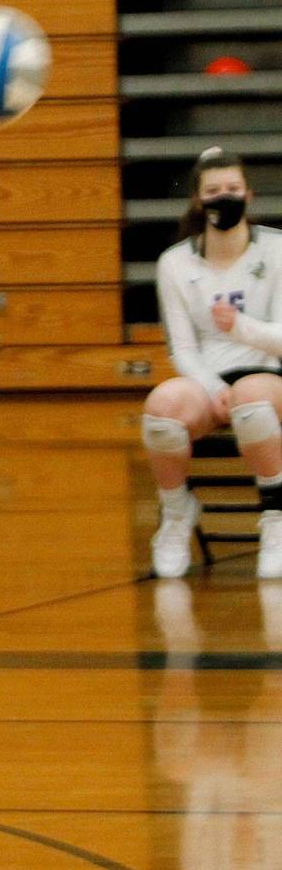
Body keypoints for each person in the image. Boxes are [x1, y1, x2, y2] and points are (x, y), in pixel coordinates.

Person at [143, 146, 282, 579]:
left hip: (269, 373)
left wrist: (241, 329)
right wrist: (211, 387)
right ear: (198, 200)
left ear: (249, 195)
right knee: (162, 409)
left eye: (233, 189)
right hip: (208, 380)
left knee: (251, 397)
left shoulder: (277, 250)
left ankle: (276, 518)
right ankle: (176, 512)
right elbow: (182, 349)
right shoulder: (175, 263)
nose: (224, 198)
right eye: (214, 190)